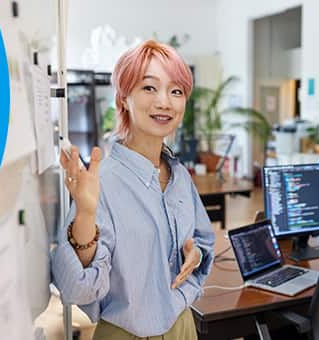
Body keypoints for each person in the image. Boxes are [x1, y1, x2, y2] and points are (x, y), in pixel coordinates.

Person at [51, 40, 214, 339]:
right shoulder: (105, 182)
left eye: (176, 91)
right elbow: (77, 288)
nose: (165, 102)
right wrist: (86, 214)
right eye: (149, 88)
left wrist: (197, 256)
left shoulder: (179, 176)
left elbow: (203, 241)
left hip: (183, 325)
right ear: (124, 98)